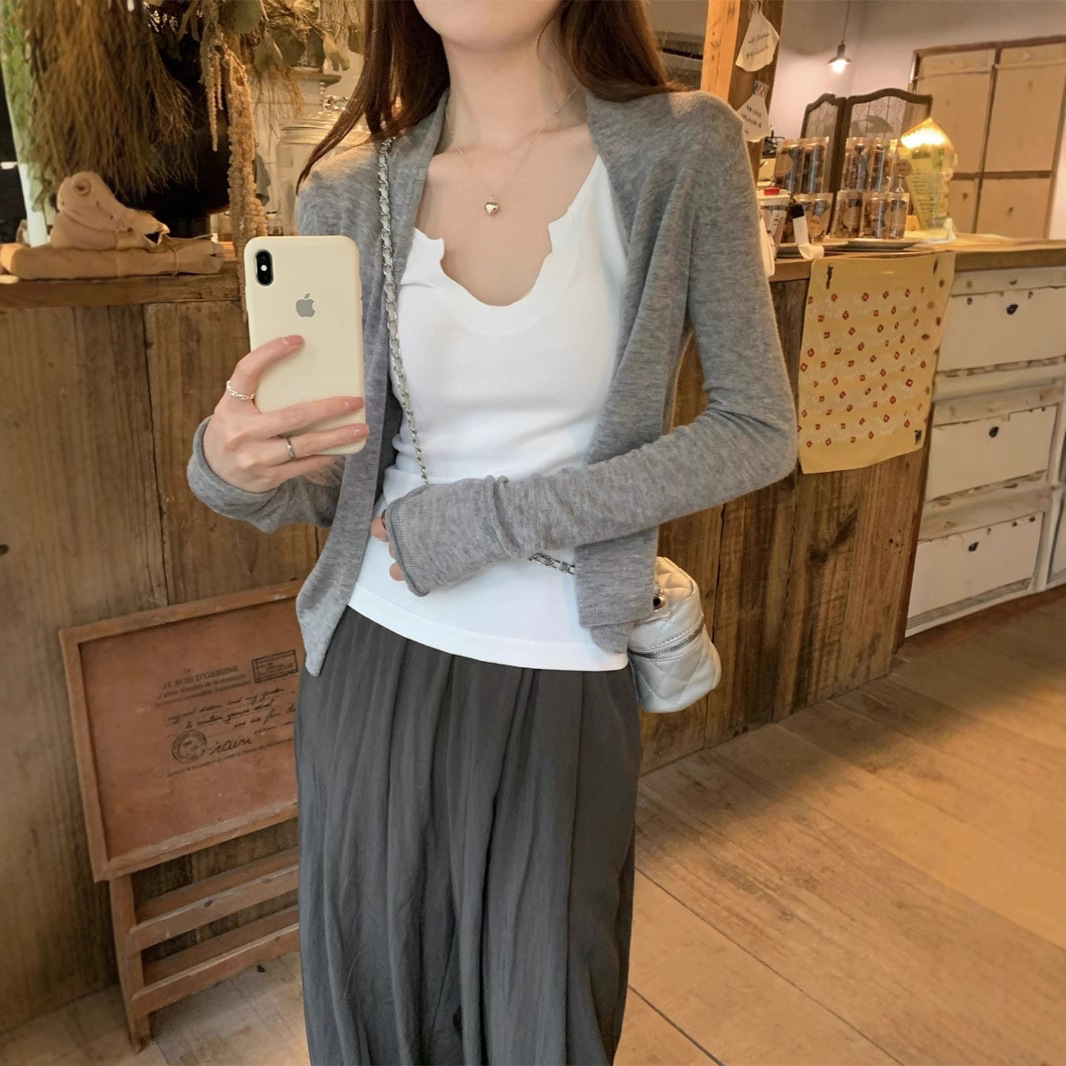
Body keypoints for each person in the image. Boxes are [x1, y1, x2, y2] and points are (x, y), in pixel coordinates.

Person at [186, 1, 797, 1062]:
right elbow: (337, 480)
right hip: (370, 664)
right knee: (376, 1017)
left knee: (543, 1020)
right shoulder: (350, 189)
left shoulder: (681, 149)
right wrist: (227, 466)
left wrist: (498, 519)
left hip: (560, 675)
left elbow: (757, 429)